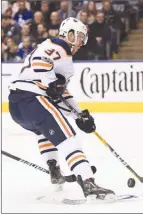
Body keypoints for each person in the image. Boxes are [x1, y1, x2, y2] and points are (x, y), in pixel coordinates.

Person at [8, 17, 114, 200]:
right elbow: (46, 74)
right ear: (70, 34)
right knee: (68, 138)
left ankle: (54, 170)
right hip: (33, 99)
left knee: (45, 132)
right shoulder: (62, 50)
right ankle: (88, 181)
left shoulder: (46, 45)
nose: (82, 42)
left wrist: (79, 114)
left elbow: (59, 93)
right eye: (80, 37)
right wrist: (50, 82)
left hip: (17, 107)